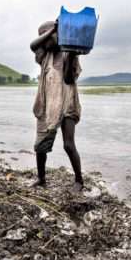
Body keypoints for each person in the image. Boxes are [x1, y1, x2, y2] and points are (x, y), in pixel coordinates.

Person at [30, 20, 84, 191]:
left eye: (46, 36)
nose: (44, 40)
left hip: (67, 104)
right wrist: (53, 28)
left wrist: (73, 54)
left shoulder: (68, 54)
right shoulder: (43, 56)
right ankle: (41, 179)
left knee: (69, 144)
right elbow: (33, 45)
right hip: (46, 106)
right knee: (41, 147)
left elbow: (68, 79)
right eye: (42, 37)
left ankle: (79, 181)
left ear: (58, 36)